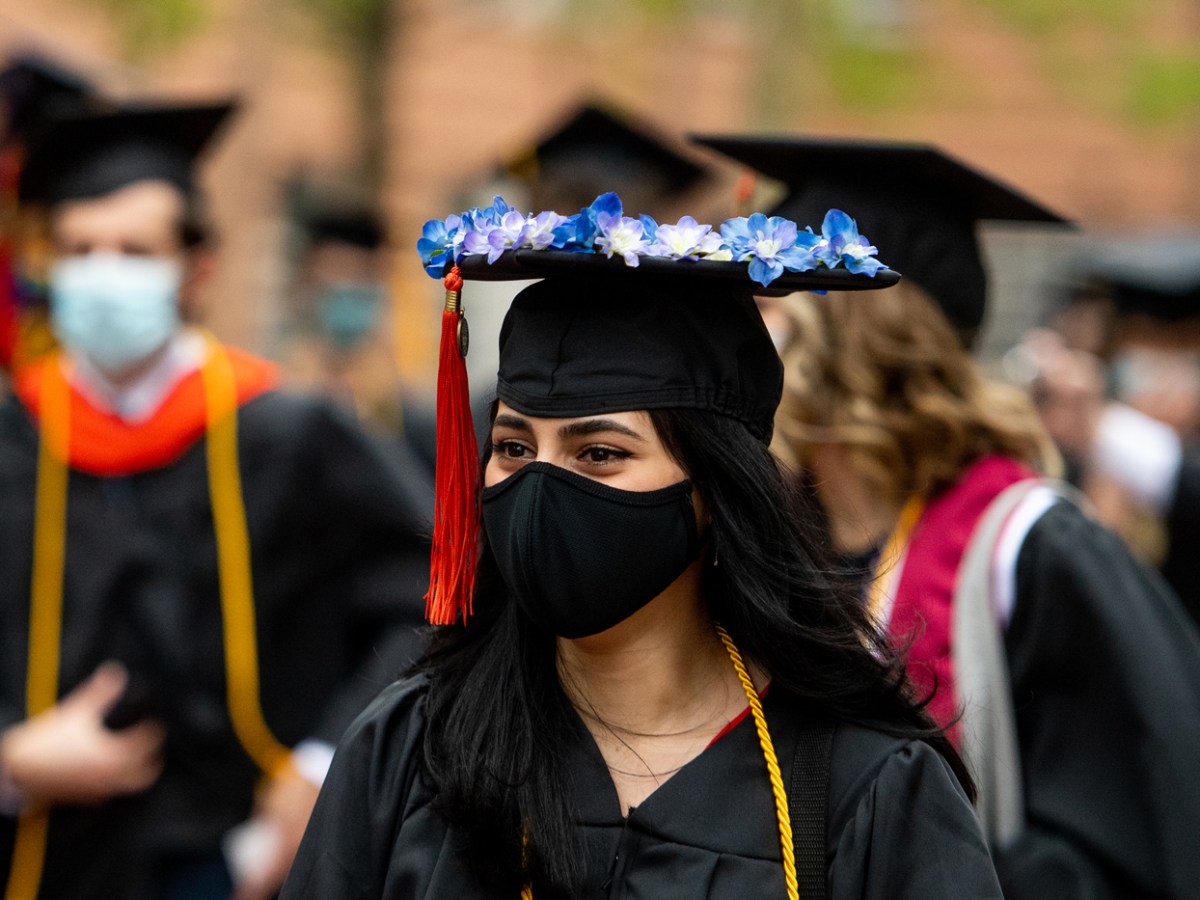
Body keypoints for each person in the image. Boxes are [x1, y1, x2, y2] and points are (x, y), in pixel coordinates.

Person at [281, 193, 1004, 898]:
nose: (540, 487)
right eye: (513, 447)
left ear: (715, 489)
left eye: (599, 453)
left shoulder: (864, 787)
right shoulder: (410, 748)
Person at [699, 136, 1200, 899]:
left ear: (854, 338)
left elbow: (1145, 819)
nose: (735, 338)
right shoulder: (767, 542)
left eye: (767, 308)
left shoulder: (1026, 547)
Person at [0, 99, 431, 899]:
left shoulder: (291, 437)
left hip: (241, 862)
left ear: (198, 269)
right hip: (36, 856)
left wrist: (326, 766)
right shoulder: (14, 439)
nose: (103, 274)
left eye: (135, 250)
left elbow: (431, 592)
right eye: (80, 249)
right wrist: (10, 760)